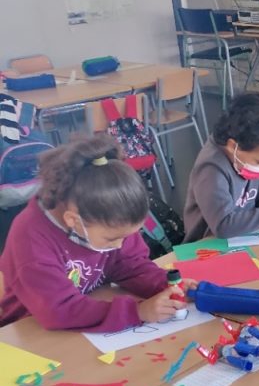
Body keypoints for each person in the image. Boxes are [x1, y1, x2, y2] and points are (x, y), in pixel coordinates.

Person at [0, 137, 183, 331]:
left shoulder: (109, 220)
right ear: (73, 221)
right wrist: (137, 312)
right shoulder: (31, 238)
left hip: (87, 310)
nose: (120, 245)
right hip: (30, 329)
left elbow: (131, 266)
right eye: (111, 239)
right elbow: (59, 310)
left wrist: (166, 286)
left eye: (127, 236)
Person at [183, 93, 259, 242]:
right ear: (233, 146)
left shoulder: (245, 156)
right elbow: (223, 226)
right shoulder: (211, 170)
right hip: (207, 245)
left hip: (241, 238)